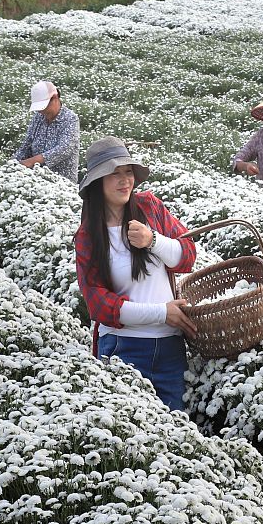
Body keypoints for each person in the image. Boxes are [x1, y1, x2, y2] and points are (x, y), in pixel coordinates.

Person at [75, 137, 198, 411]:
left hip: (170, 348)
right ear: (97, 181)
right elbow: (99, 305)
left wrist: (153, 240)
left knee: (174, 429)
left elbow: (187, 256)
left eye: (128, 171)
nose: (125, 180)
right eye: (114, 173)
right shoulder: (88, 235)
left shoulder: (149, 207)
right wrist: (161, 313)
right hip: (123, 348)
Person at [13, 80, 81, 182]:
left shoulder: (70, 119)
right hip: (35, 179)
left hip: (61, 182)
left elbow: (64, 149)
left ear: (55, 98)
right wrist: (13, 163)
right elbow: (26, 145)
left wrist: (31, 162)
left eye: (44, 107)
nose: (41, 111)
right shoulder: (38, 117)